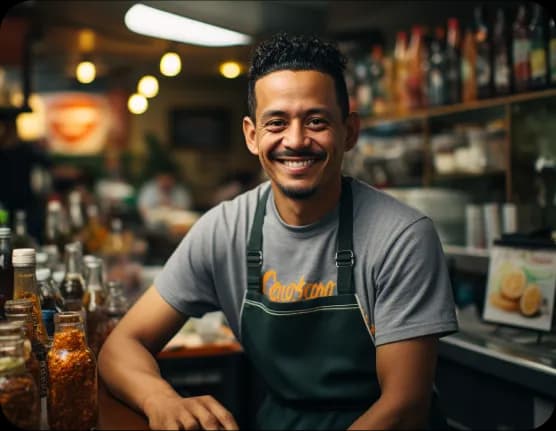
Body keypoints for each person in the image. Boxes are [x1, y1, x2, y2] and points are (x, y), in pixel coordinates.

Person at [98, 33, 458, 430]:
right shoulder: (224, 230)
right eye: (277, 122)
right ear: (252, 136)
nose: (296, 140)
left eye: (316, 121)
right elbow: (120, 346)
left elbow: (405, 405)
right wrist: (160, 399)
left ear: (349, 131)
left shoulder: (401, 237)